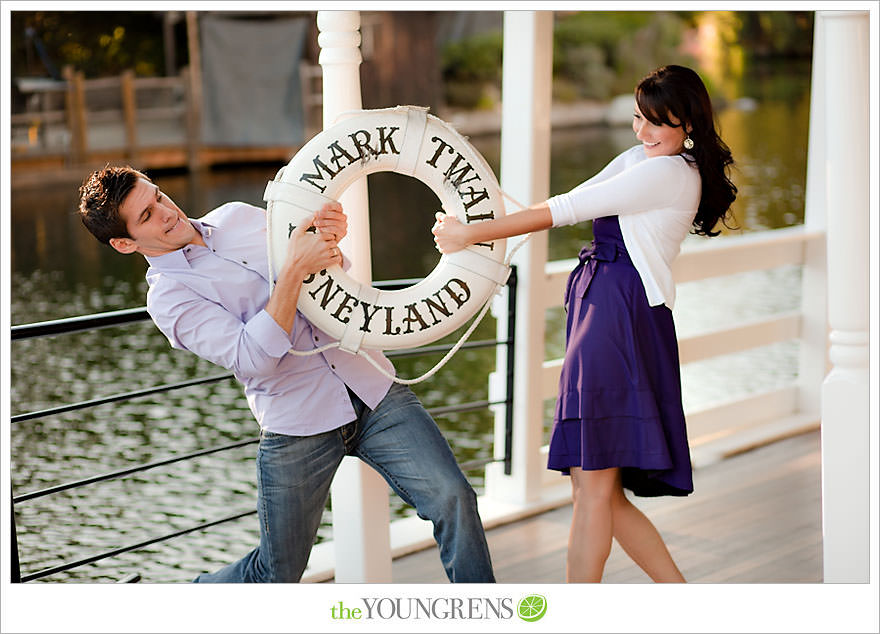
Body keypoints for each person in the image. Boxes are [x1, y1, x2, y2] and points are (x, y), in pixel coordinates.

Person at [77, 165, 495, 583]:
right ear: (123, 243)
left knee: (453, 498)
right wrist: (294, 269)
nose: (166, 212)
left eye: (159, 197)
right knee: (278, 574)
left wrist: (328, 241)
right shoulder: (169, 299)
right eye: (146, 216)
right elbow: (252, 357)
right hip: (298, 424)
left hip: (372, 389)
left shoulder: (237, 216)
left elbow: (333, 274)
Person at [433, 65, 737, 583]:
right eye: (638, 119)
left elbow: (564, 210)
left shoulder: (667, 172)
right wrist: (480, 219)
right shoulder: (648, 158)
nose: (643, 133)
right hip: (610, 312)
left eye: (657, 124)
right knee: (594, 486)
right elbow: (572, 197)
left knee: (593, 483)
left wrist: (472, 235)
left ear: (688, 123)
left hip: (618, 318)